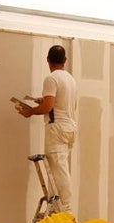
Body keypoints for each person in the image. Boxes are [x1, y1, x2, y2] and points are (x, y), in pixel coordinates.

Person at [15, 45, 78, 213]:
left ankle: (66, 211)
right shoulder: (70, 79)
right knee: (56, 169)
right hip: (70, 128)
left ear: (48, 60)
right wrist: (42, 100)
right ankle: (55, 209)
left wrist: (30, 112)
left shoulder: (51, 79)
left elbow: (47, 107)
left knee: (59, 170)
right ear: (65, 60)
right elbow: (65, 104)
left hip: (56, 128)